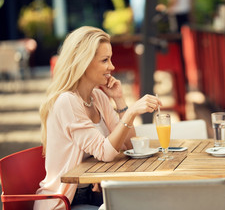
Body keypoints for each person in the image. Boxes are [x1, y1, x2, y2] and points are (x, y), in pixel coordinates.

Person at [34, 26, 162, 210]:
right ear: (83, 63)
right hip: (64, 202)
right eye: (105, 60)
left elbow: (130, 144)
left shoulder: (98, 97)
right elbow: (106, 152)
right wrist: (133, 112)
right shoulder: (67, 102)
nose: (112, 66)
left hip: (93, 195)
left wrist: (119, 100)